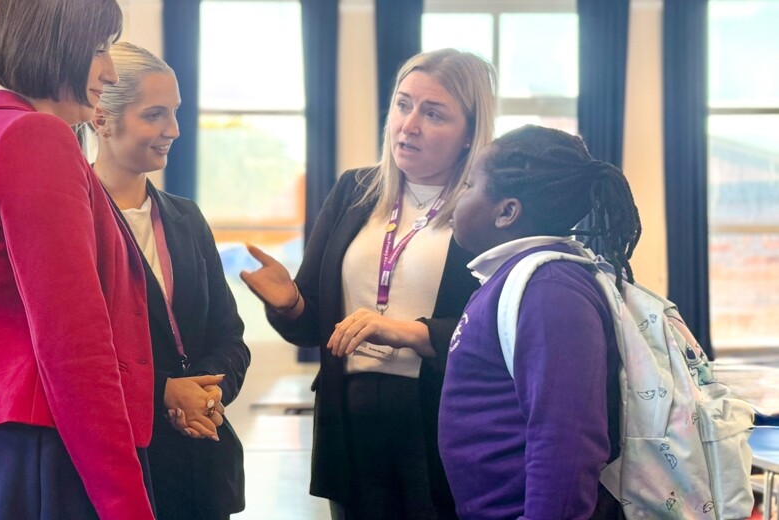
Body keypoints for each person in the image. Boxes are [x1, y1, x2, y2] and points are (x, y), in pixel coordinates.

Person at [0, 1, 156, 518]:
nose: (109, 72)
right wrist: (126, 503)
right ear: (54, 43)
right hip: (33, 451)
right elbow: (74, 344)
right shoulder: (37, 136)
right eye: (97, 50)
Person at [240, 48, 497, 519]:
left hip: (438, 425)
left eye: (433, 113)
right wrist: (290, 305)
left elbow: (497, 331)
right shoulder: (354, 190)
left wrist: (412, 331)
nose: (409, 124)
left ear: (468, 134)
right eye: (403, 104)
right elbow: (314, 323)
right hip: (350, 424)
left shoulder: (484, 210)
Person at [439, 125, 635, 519]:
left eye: (468, 186)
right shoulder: (513, 278)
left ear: (507, 211)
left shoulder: (548, 290)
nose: (455, 199)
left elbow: (567, 441)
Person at [90, 42, 251, 520]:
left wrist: (207, 395)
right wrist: (164, 390)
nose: (173, 131)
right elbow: (78, 354)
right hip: (118, 467)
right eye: (155, 115)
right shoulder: (76, 220)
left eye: (175, 113)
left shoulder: (187, 217)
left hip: (199, 469)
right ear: (102, 118)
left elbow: (229, 336)